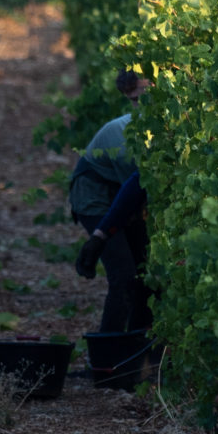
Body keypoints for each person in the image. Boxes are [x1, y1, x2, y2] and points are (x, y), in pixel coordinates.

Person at [69, 72, 152, 333]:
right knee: (125, 276)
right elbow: (133, 195)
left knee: (146, 275)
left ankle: (139, 352)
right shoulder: (127, 138)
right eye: (135, 101)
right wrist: (99, 236)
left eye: (144, 97)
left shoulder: (167, 126)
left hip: (123, 193)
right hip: (94, 197)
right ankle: (109, 355)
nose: (140, 106)